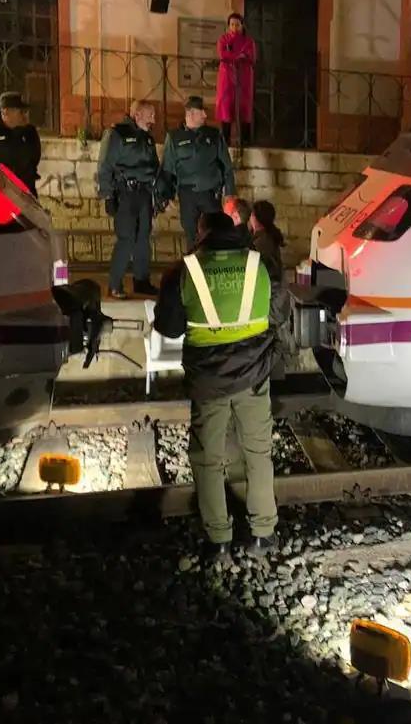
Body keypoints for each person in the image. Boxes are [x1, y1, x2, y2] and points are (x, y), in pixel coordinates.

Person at [154, 211, 278, 562]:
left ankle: (219, 539)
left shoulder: (184, 270)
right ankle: (263, 534)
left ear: (201, 233)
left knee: (208, 459)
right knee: (258, 453)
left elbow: (170, 328)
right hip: (254, 375)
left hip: (209, 380)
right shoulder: (260, 264)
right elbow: (275, 309)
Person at [97, 100, 161, 298]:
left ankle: (141, 281)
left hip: (144, 194)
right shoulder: (117, 134)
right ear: (138, 114)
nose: (154, 120)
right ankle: (115, 284)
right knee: (126, 239)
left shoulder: (147, 138)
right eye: (150, 115)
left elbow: (154, 169)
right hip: (124, 194)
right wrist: (107, 195)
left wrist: (159, 196)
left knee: (143, 239)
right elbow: (105, 166)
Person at [162, 96, 236, 251]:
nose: (205, 115)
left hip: (210, 193)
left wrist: (229, 193)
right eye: (201, 111)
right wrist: (166, 196)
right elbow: (168, 169)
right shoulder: (174, 137)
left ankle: (213, 270)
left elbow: (226, 166)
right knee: (191, 235)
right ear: (190, 113)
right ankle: (192, 271)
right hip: (187, 195)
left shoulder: (214, 135)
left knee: (214, 234)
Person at [250, 200, 293, 380]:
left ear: (255, 218)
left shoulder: (262, 242)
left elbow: (268, 276)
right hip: (274, 302)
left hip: (270, 304)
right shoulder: (265, 238)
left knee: (266, 346)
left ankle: (269, 384)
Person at [215, 13, 256, 147]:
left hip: (243, 78)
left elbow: (250, 56)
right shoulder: (223, 39)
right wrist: (239, 56)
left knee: (244, 107)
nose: (234, 27)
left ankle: (245, 141)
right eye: (232, 24)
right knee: (226, 106)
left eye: (237, 24)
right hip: (226, 77)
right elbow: (222, 54)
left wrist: (232, 56)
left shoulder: (248, 41)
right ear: (228, 26)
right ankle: (224, 141)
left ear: (242, 25)